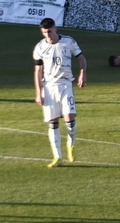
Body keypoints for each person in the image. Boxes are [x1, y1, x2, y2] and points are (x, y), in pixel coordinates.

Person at [33, 18, 86, 168]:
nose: (47, 35)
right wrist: (38, 93)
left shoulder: (68, 41)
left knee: (70, 120)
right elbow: (38, 71)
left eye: (49, 31)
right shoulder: (40, 47)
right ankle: (57, 157)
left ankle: (71, 144)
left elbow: (81, 59)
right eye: (44, 33)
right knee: (53, 122)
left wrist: (83, 74)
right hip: (48, 87)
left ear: (55, 28)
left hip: (65, 85)